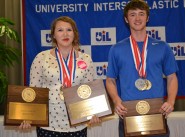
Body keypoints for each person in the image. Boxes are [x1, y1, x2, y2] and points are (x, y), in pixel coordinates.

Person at [106, 0, 178, 137]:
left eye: (141, 14)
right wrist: (116, 101)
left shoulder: (163, 46)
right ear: (126, 19)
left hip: (157, 113)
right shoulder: (116, 49)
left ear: (148, 18)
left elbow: (172, 77)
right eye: (132, 15)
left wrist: (171, 101)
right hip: (128, 113)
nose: (137, 18)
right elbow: (110, 80)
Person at [19, 16, 101, 137]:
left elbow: (89, 91)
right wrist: (28, 116)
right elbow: (34, 90)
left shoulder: (86, 59)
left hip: (77, 124)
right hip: (48, 124)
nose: (65, 34)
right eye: (60, 30)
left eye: (69, 30)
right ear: (53, 35)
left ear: (74, 34)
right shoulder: (41, 58)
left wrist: (93, 113)